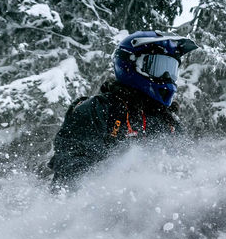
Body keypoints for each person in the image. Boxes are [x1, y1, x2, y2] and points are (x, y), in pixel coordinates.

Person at [49, 31, 198, 188]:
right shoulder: (98, 110)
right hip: (99, 205)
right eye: (159, 67)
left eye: (171, 69)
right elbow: (71, 171)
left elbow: (187, 167)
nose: (167, 77)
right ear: (131, 64)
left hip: (163, 207)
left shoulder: (168, 122)